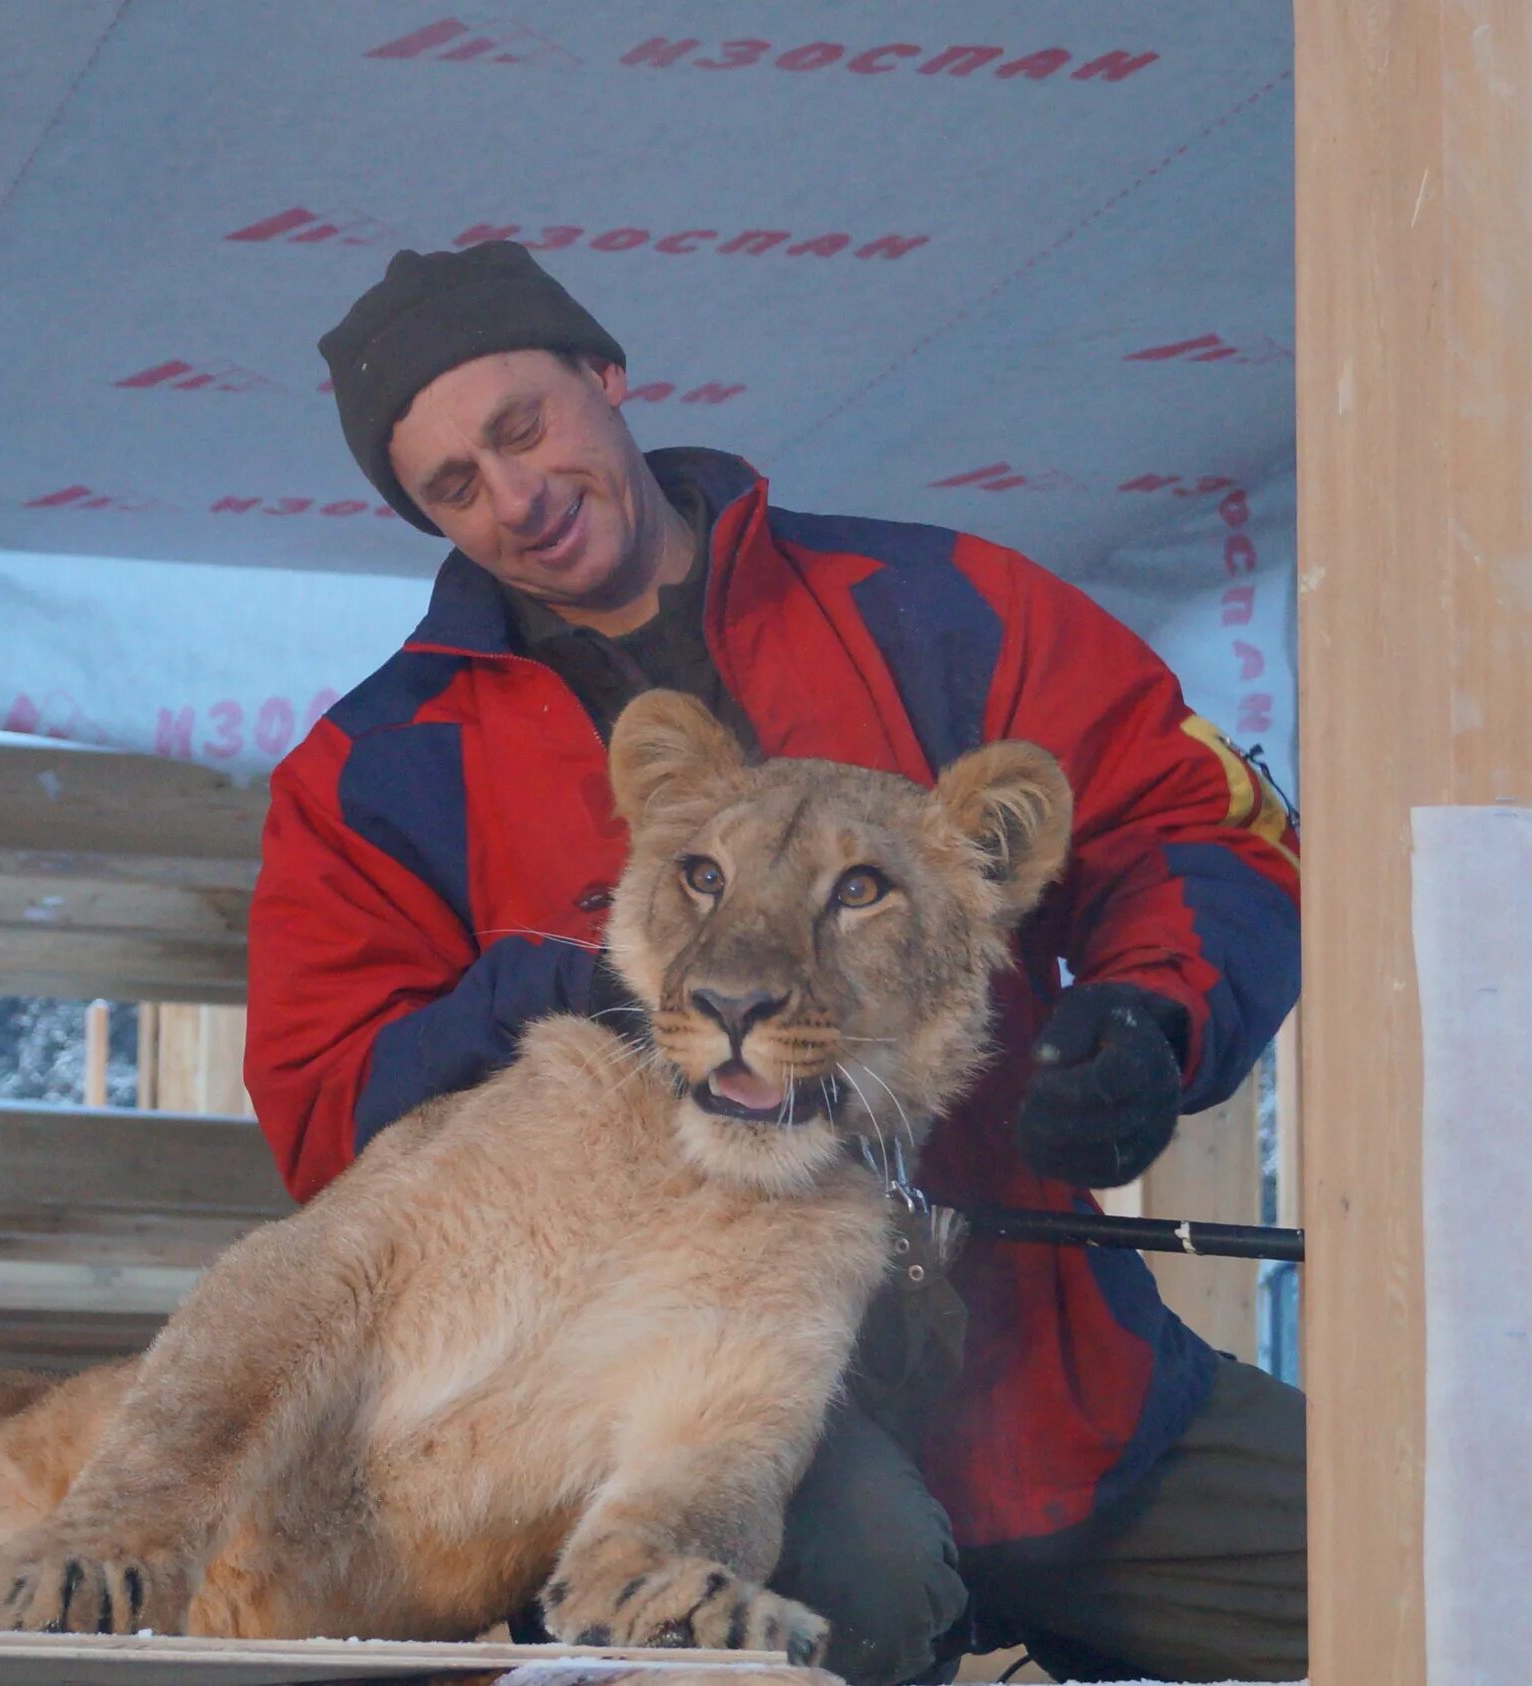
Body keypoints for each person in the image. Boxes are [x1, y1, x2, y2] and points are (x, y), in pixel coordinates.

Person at [243, 242, 1306, 1685]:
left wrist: (1151, 1014)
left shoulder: (937, 603)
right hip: (684, 1399)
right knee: (850, 1568)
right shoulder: (373, 769)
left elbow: (1187, 815)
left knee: (1449, 1555)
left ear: (607, 378)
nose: (514, 497)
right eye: (451, 485)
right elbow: (323, 1108)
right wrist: (546, 992)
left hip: (1058, 1386)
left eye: (522, 426)